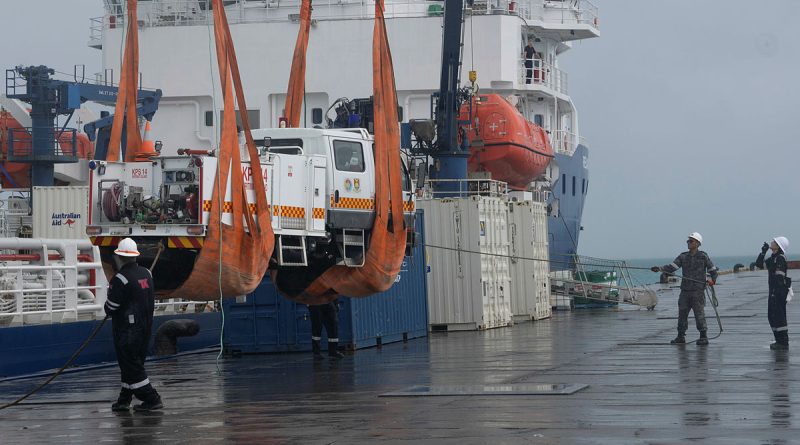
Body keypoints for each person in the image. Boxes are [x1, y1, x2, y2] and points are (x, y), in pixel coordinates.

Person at [105, 238, 163, 412]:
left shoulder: (120, 279)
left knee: (131, 365)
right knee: (132, 364)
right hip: (145, 327)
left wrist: (108, 303)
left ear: (119, 257)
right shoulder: (147, 273)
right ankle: (124, 399)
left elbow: (111, 307)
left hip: (127, 331)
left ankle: (151, 398)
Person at [651, 232, 719, 345]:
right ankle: (680, 336)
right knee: (682, 314)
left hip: (698, 291)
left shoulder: (703, 256)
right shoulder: (683, 256)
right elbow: (672, 267)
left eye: (691, 241)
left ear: (697, 243)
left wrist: (713, 281)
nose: (688, 243)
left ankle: (703, 336)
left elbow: (713, 271)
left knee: (699, 314)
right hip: (685, 291)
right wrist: (659, 269)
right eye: (688, 241)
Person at [756, 237, 791, 350]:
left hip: (778, 292)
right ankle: (778, 340)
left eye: (774, 242)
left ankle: (783, 342)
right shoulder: (773, 258)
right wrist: (763, 252)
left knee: (779, 316)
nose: (772, 242)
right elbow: (759, 264)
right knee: (772, 316)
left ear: (778, 245)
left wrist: (776, 292)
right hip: (773, 292)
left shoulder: (780, 258)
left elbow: (779, 278)